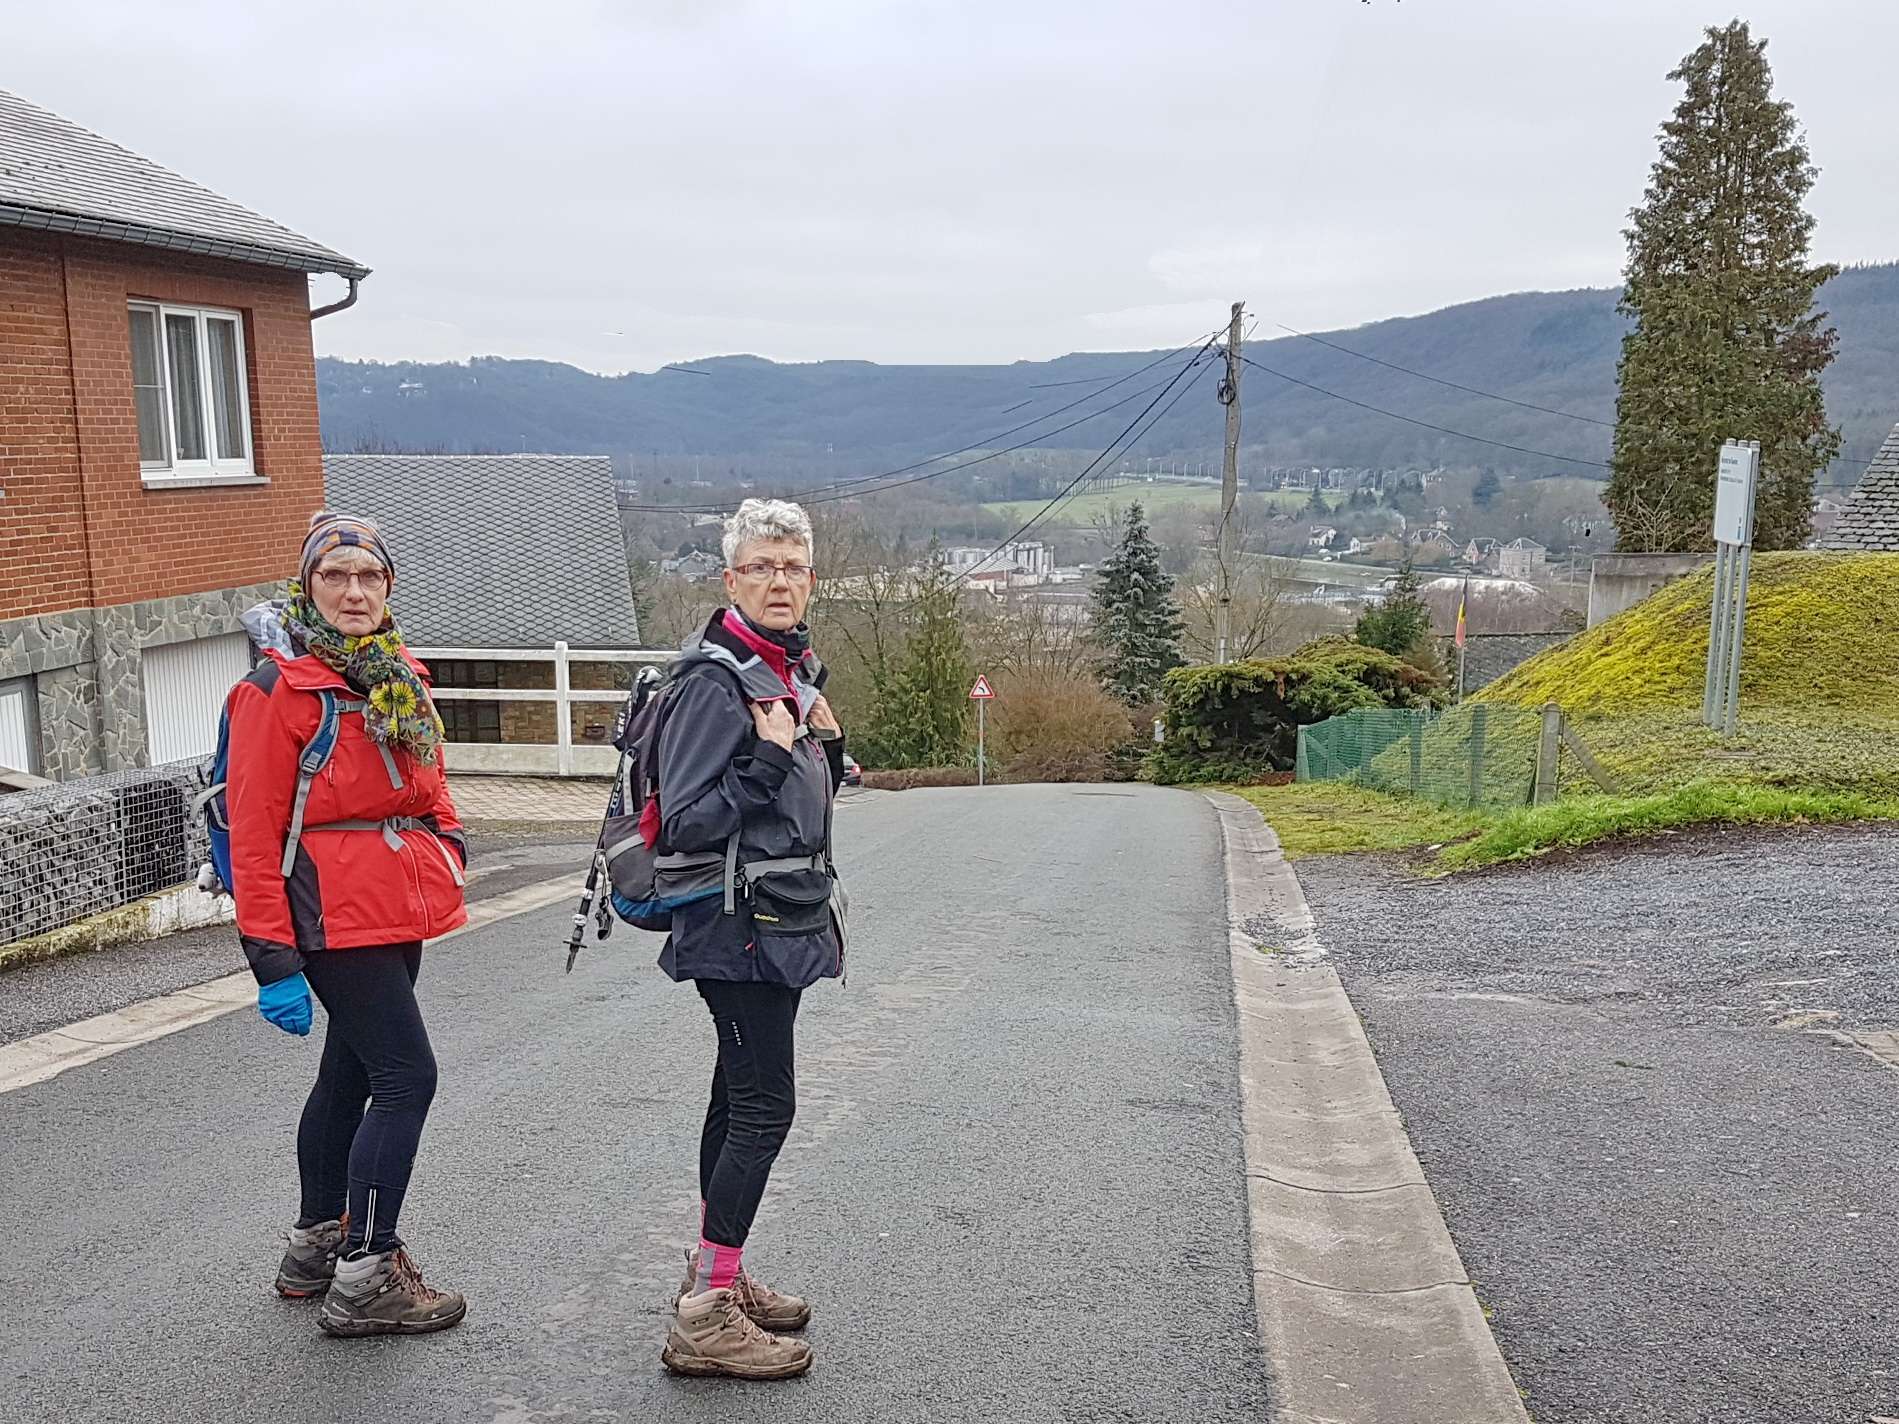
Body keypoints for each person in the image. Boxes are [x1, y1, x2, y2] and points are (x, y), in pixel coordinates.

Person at [226, 511, 469, 1338]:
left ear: (388, 586)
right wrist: (271, 957)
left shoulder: (397, 675)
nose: (354, 592)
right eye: (336, 577)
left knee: (351, 1075)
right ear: (308, 587)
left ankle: (316, 1248)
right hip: (329, 917)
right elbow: (254, 833)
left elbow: (429, 780)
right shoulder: (275, 691)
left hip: (397, 905)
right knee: (407, 1078)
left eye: (370, 577)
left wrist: (449, 841)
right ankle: (367, 1273)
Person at [653, 498, 847, 1381]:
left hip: (777, 920)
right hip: (737, 929)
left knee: (737, 1100)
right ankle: (705, 1314)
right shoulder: (713, 681)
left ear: (811, 580)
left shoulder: (783, 669)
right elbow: (686, 820)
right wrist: (769, 758)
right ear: (731, 579)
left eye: (793, 567)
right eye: (762, 566)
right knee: (765, 1106)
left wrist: (823, 749)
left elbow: (797, 808)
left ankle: (717, 1275)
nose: (779, 581)